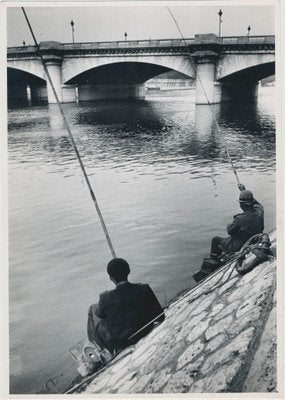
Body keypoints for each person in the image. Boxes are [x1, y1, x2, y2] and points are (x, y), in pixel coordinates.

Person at [87, 258, 165, 355]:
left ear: (111, 278)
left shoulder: (105, 297)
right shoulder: (144, 288)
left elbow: (99, 315)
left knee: (93, 309)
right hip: (143, 330)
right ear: (129, 271)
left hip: (120, 341)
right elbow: (161, 316)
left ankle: (95, 345)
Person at [210, 184, 264, 259]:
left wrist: (232, 223)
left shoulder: (240, 219)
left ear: (243, 205)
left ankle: (213, 262)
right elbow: (256, 203)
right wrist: (243, 191)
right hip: (256, 240)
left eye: (240, 203)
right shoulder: (259, 211)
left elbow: (229, 231)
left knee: (215, 240)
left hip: (240, 246)